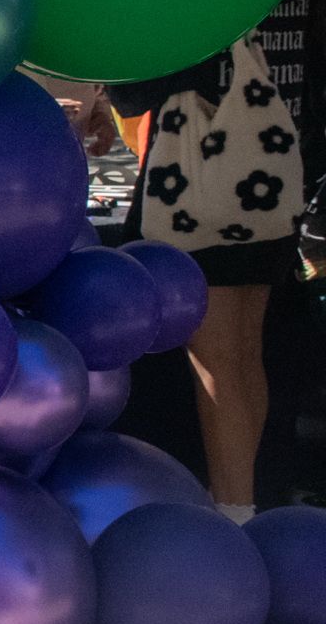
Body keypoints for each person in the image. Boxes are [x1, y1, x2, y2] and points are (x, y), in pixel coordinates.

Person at [110, 36, 302, 518]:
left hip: (201, 192)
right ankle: (246, 500)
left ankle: (236, 513)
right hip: (268, 176)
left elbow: (134, 90)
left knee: (216, 365)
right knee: (243, 354)